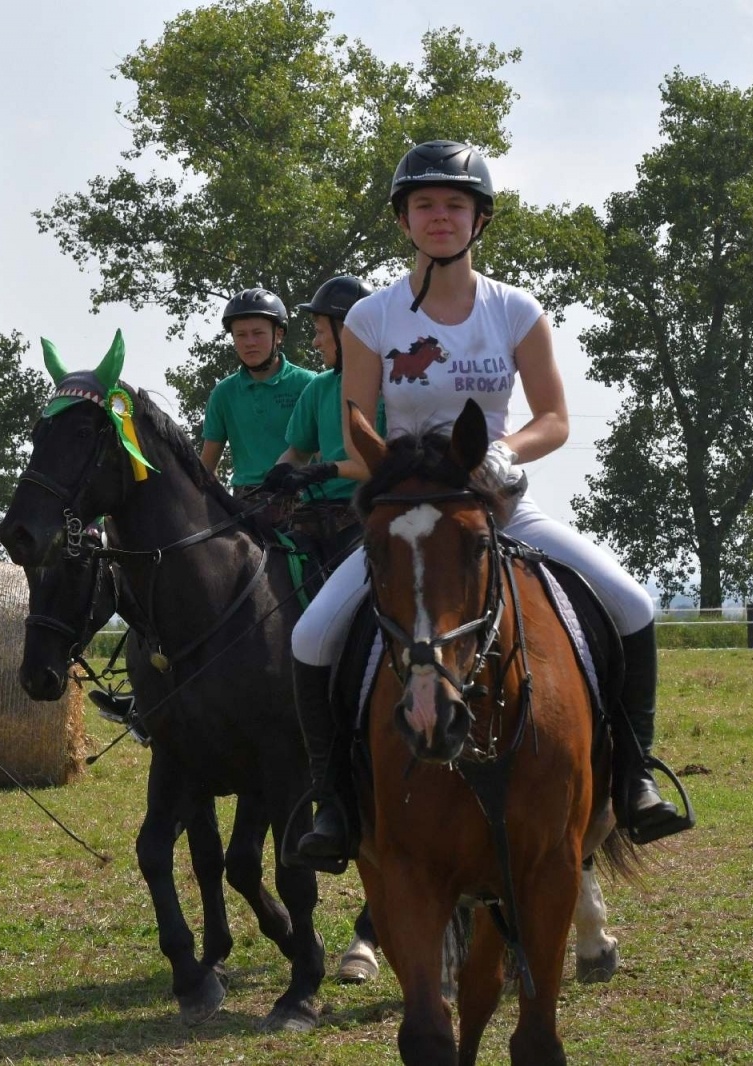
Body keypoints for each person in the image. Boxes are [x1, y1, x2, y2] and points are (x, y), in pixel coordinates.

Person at [287, 140, 692, 870]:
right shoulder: (371, 319)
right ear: (404, 219)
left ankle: (632, 782)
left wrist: (506, 452)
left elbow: (555, 417)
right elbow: (357, 425)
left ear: (479, 219)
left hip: (498, 505)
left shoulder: (514, 309)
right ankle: (334, 805)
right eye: (425, 205)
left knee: (632, 605)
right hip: (411, 519)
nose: (439, 217)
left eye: (454, 205)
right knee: (311, 637)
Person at [259, 275, 380, 546]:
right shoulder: (319, 387)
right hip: (315, 516)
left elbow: (384, 466)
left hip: (370, 515)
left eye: (320, 331)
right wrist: (281, 471)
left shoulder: (393, 389)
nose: (315, 342)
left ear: (347, 331)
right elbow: (298, 451)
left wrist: (323, 470)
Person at [200, 287, 315, 495]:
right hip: (245, 503)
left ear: (278, 334)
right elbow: (206, 467)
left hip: (302, 501)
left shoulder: (309, 383)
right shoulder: (223, 393)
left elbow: (323, 454)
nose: (249, 342)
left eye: (258, 333)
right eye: (241, 335)